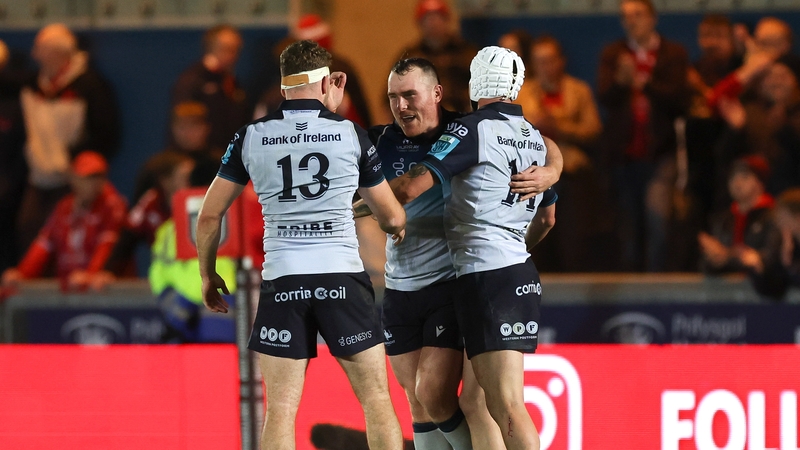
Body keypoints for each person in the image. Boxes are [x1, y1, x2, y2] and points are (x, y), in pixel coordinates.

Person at [196, 40, 406, 449]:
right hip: (342, 278)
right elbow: (393, 216)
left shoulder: (251, 136)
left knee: (281, 410)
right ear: (327, 82)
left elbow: (208, 216)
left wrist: (207, 273)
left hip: (283, 280)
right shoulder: (350, 134)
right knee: (377, 400)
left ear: (283, 84)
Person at [362, 56, 562, 449]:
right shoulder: (381, 139)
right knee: (438, 402)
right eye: (393, 97)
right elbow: (548, 212)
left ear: (441, 92)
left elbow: (405, 191)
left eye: (409, 95)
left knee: (484, 402)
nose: (401, 106)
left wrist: (371, 210)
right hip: (419, 285)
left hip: (465, 280)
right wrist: (553, 167)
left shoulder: (465, 130)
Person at [597, 0, 691, 271]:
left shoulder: (672, 53)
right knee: (628, 226)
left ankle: (657, 285)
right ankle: (631, 290)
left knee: (658, 218)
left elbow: (678, 100)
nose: (631, 21)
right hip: (624, 155)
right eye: (626, 16)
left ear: (653, 18)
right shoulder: (613, 53)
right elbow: (606, 98)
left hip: (660, 152)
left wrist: (642, 83)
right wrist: (620, 83)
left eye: (637, 15)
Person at [17, 23, 120, 254]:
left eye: (39, 49)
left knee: (68, 240)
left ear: (59, 53)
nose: (34, 54)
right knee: (29, 229)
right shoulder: (32, 85)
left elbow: (105, 133)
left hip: (73, 180)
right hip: (38, 178)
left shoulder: (90, 85)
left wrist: (73, 161)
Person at [516, 34, 605, 271]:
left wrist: (560, 126)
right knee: (537, 242)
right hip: (533, 177)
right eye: (539, 61)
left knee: (573, 239)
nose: (545, 67)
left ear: (561, 61)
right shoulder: (522, 93)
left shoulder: (579, 90)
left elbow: (593, 130)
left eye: (550, 60)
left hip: (572, 174)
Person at [1, 151, 127, 292]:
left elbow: (107, 246)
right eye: (88, 177)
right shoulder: (63, 208)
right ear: (73, 178)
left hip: (103, 292)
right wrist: (22, 274)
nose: (94, 183)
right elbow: (43, 245)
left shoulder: (112, 205)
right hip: (69, 291)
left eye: (99, 177)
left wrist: (91, 275)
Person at [89, 151, 195, 289]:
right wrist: (108, 272)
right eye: (184, 176)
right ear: (166, 181)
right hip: (165, 283)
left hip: (196, 282)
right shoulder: (151, 203)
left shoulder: (200, 202)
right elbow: (127, 238)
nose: (191, 181)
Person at [698, 155, 785, 300]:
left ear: (760, 182)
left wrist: (728, 257)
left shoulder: (773, 216)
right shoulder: (723, 219)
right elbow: (708, 263)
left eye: (744, 177)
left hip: (763, 296)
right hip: (725, 298)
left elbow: (770, 258)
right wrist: (712, 259)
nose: (737, 183)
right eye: (732, 177)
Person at [171, 24, 249, 149]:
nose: (233, 55)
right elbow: (181, 123)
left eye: (236, 50)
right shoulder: (192, 80)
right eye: (227, 49)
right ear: (211, 48)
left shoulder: (233, 83)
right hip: (200, 158)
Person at [397, 0, 477, 113]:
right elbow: (393, 95)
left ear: (447, 20)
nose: (433, 23)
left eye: (438, 17)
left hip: (464, 117)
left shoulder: (467, 52)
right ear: (420, 23)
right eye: (428, 19)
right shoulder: (410, 57)